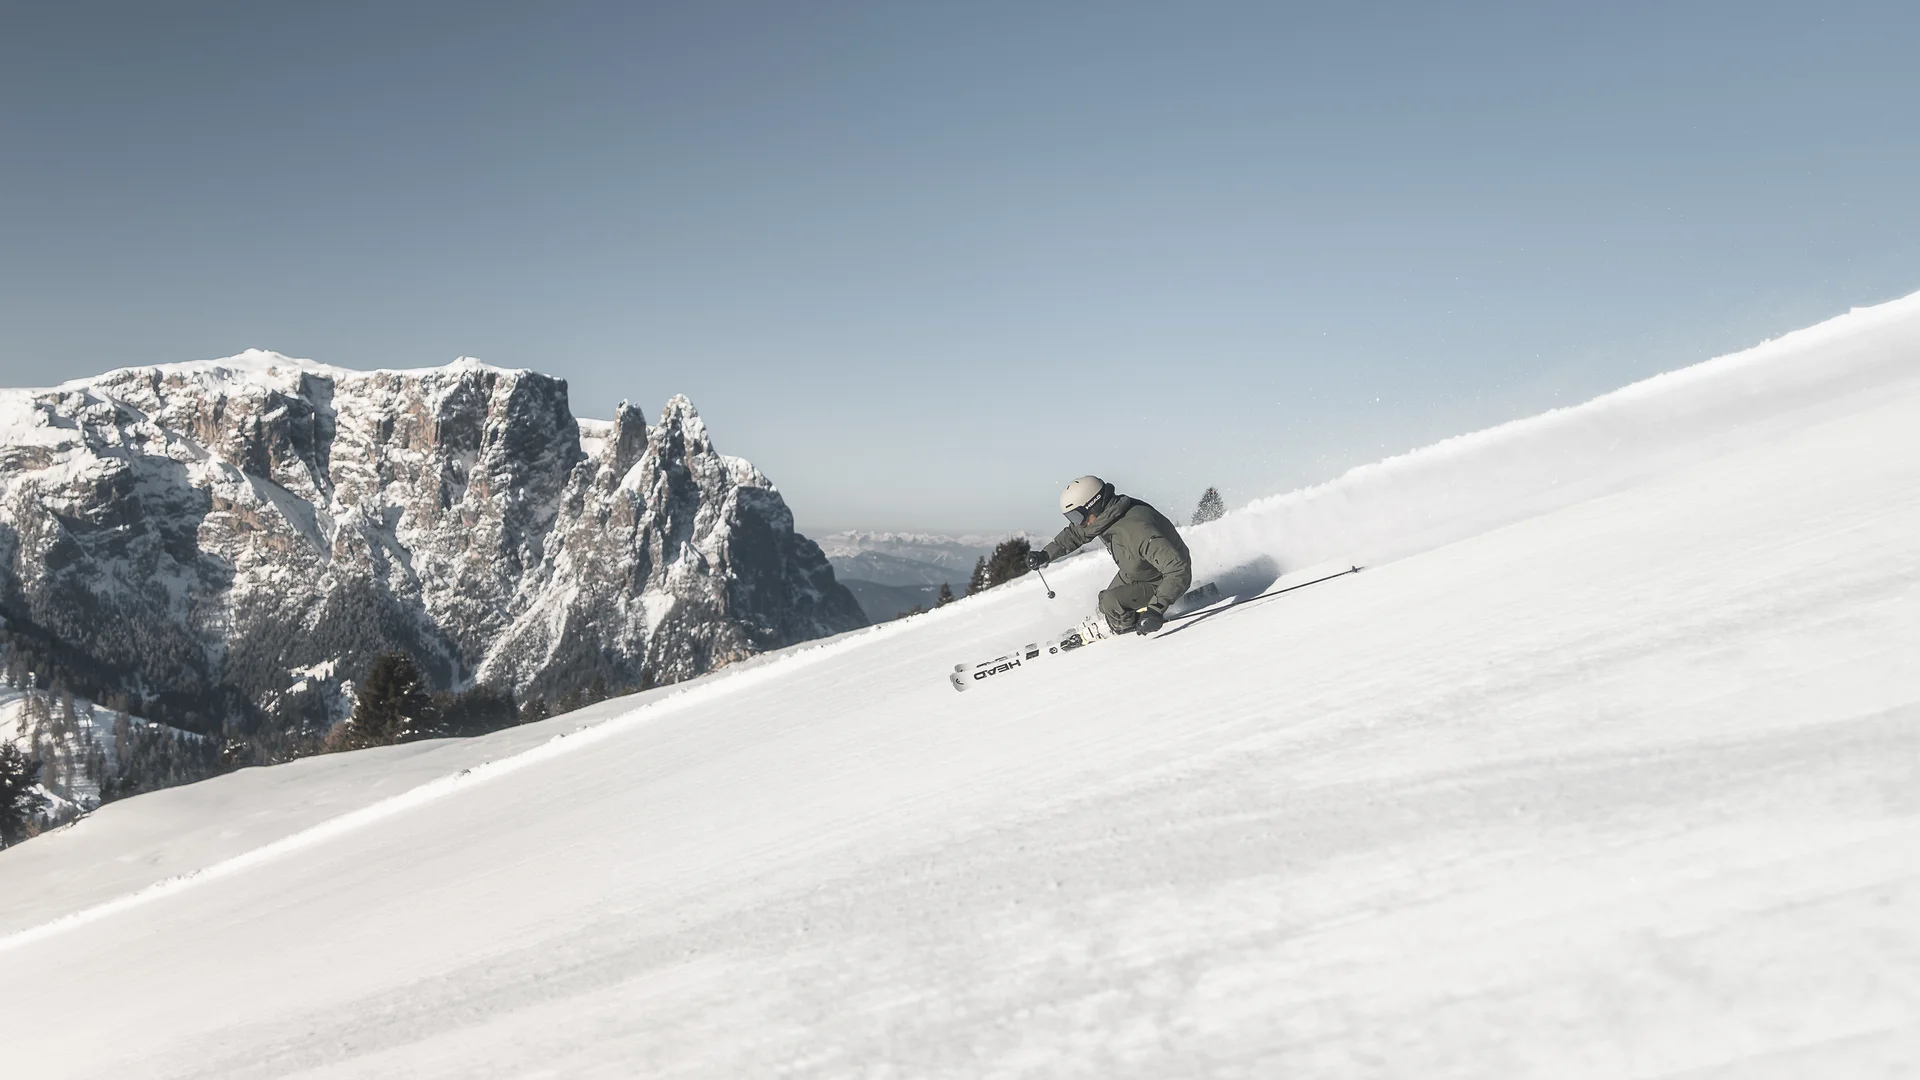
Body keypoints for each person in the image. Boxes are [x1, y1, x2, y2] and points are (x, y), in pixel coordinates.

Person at [1025, 475, 1192, 635]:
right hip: (1138, 570)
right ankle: (1112, 618)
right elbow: (1074, 534)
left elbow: (1178, 569)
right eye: (1072, 518)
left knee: (1111, 602)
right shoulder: (1105, 517)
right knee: (1105, 603)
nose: (1078, 523)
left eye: (1077, 516)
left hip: (1160, 579)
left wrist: (1155, 609)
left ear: (1094, 505)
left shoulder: (1137, 530)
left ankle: (1122, 627)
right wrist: (1045, 555)